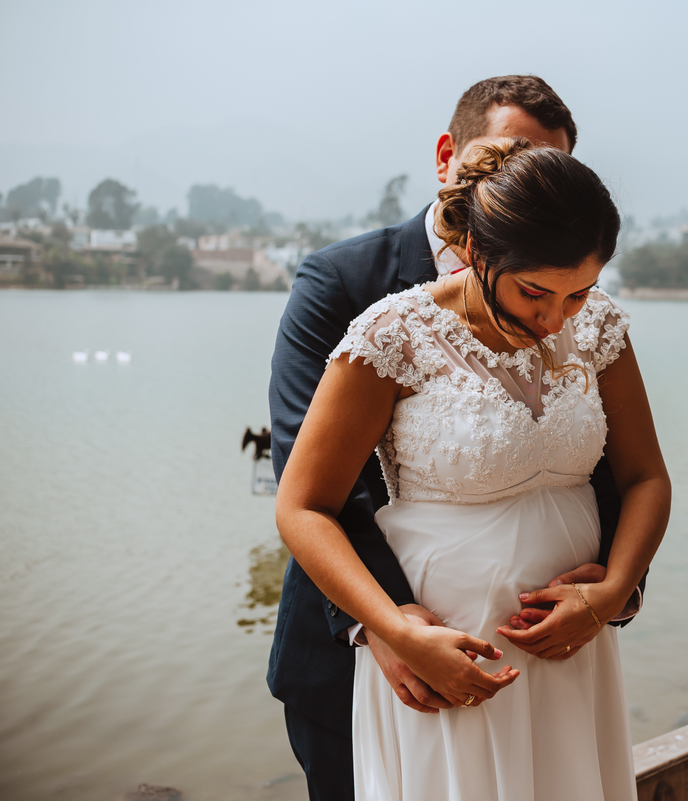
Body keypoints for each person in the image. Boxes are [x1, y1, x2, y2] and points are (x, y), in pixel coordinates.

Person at [267, 76, 647, 801]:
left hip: (562, 650)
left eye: (549, 171)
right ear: (452, 160)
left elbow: (621, 472)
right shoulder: (349, 288)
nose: (527, 185)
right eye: (509, 162)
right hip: (379, 648)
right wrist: (388, 626)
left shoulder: (586, 312)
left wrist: (614, 591)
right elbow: (311, 482)